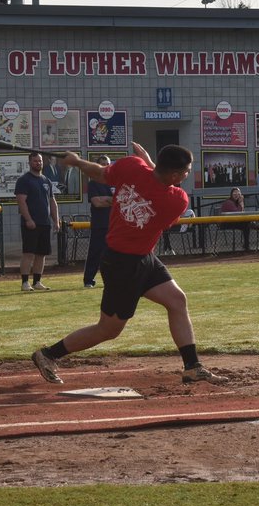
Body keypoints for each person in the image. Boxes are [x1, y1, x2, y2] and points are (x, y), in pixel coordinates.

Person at [30, 143, 227, 385]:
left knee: (177, 300)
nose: (187, 175)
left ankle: (192, 366)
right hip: (122, 264)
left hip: (142, 258)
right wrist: (150, 165)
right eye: (185, 171)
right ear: (175, 175)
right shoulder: (176, 199)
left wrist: (78, 162)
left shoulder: (133, 165)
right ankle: (48, 354)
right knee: (109, 329)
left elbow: (102, 173)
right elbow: (158, 186)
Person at [15, 151, 59, 292]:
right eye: (35, 161)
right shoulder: (24, 180)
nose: (38, 163)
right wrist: (28, 219)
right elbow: (21, 202)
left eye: (40, 161)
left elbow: (52, 202)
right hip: (31, 223)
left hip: (45, 223)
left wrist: (56, 221)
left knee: (41, 254)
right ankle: (24, 283)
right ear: (29, 162)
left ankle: (37, 281)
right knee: (28, 253)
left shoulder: (46, 180)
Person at [83, 156, 113, 288]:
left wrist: (106, 199)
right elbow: (97, 202)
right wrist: (113, 200)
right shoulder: (93, 183)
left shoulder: (115, 182)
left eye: (107, 164)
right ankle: (88, 280)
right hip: (100, 224)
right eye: (102, 164)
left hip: (114, 225)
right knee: (95, 252)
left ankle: (113, 279)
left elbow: (122, 200)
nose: (105, 166)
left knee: (114, 255)